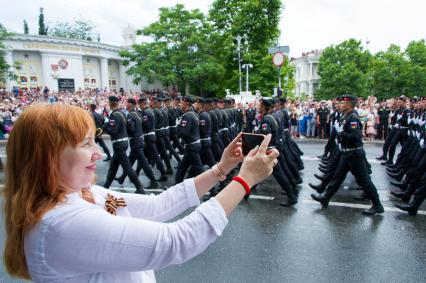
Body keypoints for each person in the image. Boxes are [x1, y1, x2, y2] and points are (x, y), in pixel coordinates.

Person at [3, 103, 279, 282]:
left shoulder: (83, 193)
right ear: (47, 157)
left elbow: (159, 204)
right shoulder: (61, 224)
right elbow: (176, 242)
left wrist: (221, 169)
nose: (98, 154)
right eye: (85, 144)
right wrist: (244, 181)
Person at [311, 94, 384, 215]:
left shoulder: (353, 118)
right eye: (339, 103)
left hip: (354, 154)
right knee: (337, 177)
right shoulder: (346, 116)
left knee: (365, 181)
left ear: (350, 105)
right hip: (347, 153)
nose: (339, 105)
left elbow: (356, 136)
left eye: (342, 104)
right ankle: (326, 198)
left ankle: (377, 205)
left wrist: (342, 135)